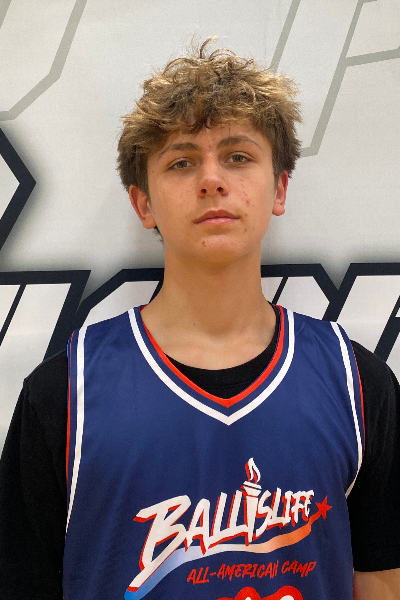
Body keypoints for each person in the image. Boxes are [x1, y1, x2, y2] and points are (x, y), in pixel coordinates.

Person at [0, 39, 399, 600]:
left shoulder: (358, 386)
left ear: (279, 187)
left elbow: (381, 580)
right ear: (143, 204)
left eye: (238, 157)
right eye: (181, 162)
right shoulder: (65, 395)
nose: (212, 180)